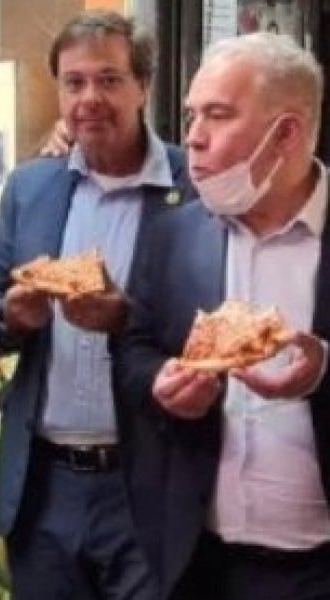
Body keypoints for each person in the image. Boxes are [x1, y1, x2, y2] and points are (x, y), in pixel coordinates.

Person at [0, 10, 193, 599]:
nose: (89, 98)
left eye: (109, 79)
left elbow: (217, 328)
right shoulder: (31, 187)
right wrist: (12, 320)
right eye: (74, 83)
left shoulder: (193, 187)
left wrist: (124, 319)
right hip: (45, 487)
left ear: (143, 86)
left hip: (146, 483)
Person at [117, 33, 330, 600]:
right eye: (191, 116)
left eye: (217, 115)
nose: (193, 138)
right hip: (196, 559)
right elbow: (132, 349)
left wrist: (322, 371)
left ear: (286, 132)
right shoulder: (172, 232)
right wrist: (160, 381)